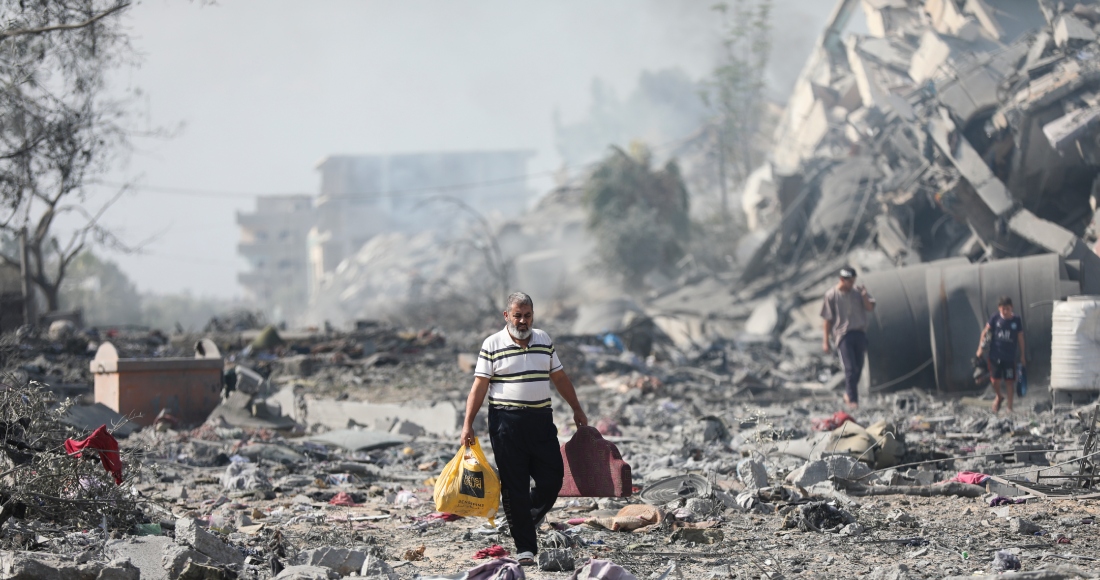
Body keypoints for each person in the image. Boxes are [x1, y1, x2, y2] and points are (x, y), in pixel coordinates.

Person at [460, 291, 588, 566]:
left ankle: (521, 518)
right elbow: (479, 386)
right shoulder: (492, 344)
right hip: (506, 422)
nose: (522, 321)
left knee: (553, 478)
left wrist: (577, 408)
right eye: (517, 315)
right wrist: (467, 423)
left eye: (527, 315)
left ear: (533, 315)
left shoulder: (543, 339)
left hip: (541, 420)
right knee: (515, 485)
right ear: (506, 316)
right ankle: (525, 548)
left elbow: (560, 377)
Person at [821, 266, 876, 409]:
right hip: (843, 335)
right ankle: (853, 400)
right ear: (842, 280)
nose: (852, 284)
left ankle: (848, 393)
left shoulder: (858, 292)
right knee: (850, 368)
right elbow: (827, 320)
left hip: (859, 333)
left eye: (853, 281)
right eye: (849, 281)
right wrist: (825, 341)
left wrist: (864, 296)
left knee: (858, 367)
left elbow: (870, 308)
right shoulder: (831, 295)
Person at [976, 296, 1026, 413]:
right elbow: (985, 332)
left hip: (1009, 357)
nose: (1005, 311)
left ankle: (1009, 407)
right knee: (994, 381)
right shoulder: (995, 318)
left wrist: (1023, 355)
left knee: (1009, 382)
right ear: (999, 308)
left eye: (1007, 309)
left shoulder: (1016, 320)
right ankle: (999, 396)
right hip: (995, 356)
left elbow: (1020, 338)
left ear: (1011, 308)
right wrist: (980, 348)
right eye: (1003, 309)